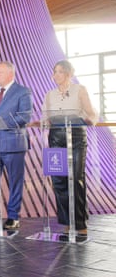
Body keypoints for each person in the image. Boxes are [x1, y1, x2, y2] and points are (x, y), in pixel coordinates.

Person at [42, 60, 97, 236]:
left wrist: (91, 121)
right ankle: (67, 222)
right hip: (56, 137)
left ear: (68, 73)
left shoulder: (79, 90)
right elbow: (45, 117)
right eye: (55, 71)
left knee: (76, 178)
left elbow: (91, 113)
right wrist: (42, 123)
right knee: (59, 181)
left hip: (76, 136)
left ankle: (80, 223)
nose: (56, 75)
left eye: (60, 71)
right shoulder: (49, 94)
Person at [0, 61, 33, 229]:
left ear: (11, 74)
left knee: (15, 181)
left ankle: (13, 216)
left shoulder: (23, 92)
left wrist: (1, 123)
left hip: (13, 144)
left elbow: (24, 116)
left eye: (0, 73)